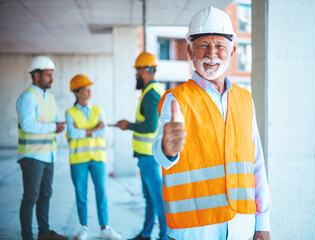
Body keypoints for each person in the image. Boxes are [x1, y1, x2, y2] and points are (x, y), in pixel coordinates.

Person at [153, 6, 271, 240]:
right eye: (203, 46)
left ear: (233, 50)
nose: (212, 54)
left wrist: (263, 221)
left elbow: (256, 164)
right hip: (194, 229)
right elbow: (160, 154)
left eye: (220, 46)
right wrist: (168, 148)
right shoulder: (176, 99)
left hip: (242, 225)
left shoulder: (244, 99)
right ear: (190, 50)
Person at [115, 52, 168, 240]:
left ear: (145, 70)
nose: (136, 75)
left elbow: (150, 126)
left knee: (158, 200)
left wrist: (127, 125)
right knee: (150, 199)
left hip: (149, 157)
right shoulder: (152, 91)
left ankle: (164, 237)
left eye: (137, 71)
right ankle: (146, 235)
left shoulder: (150, 95)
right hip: (147, 156)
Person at [16, 56, 68, 240]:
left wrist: (57, 126)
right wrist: (53, 127)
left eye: (52, 75)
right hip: (32, 157)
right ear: (36, 75)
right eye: (48, 75)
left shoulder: (50, 97)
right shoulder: (27, 97)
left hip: (48, 155)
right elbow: (28, 125)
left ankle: (44, 233)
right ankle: (27, 236)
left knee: (45, 195)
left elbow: (49, 123)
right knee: (30, 198)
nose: (52, 79)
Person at [65, 74, 121, 240]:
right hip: (78, 160)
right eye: (85, 89)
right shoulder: (70, 113)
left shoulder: (98, 110)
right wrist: (94, 128)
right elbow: (73, 134)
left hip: (97, 158)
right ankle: (83, 228)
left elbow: (103, 131)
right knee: (81, 195)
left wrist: (84, 131)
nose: (89, 92)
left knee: (101, 193)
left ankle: (105, 228)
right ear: (76, 92)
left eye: (90, 89)